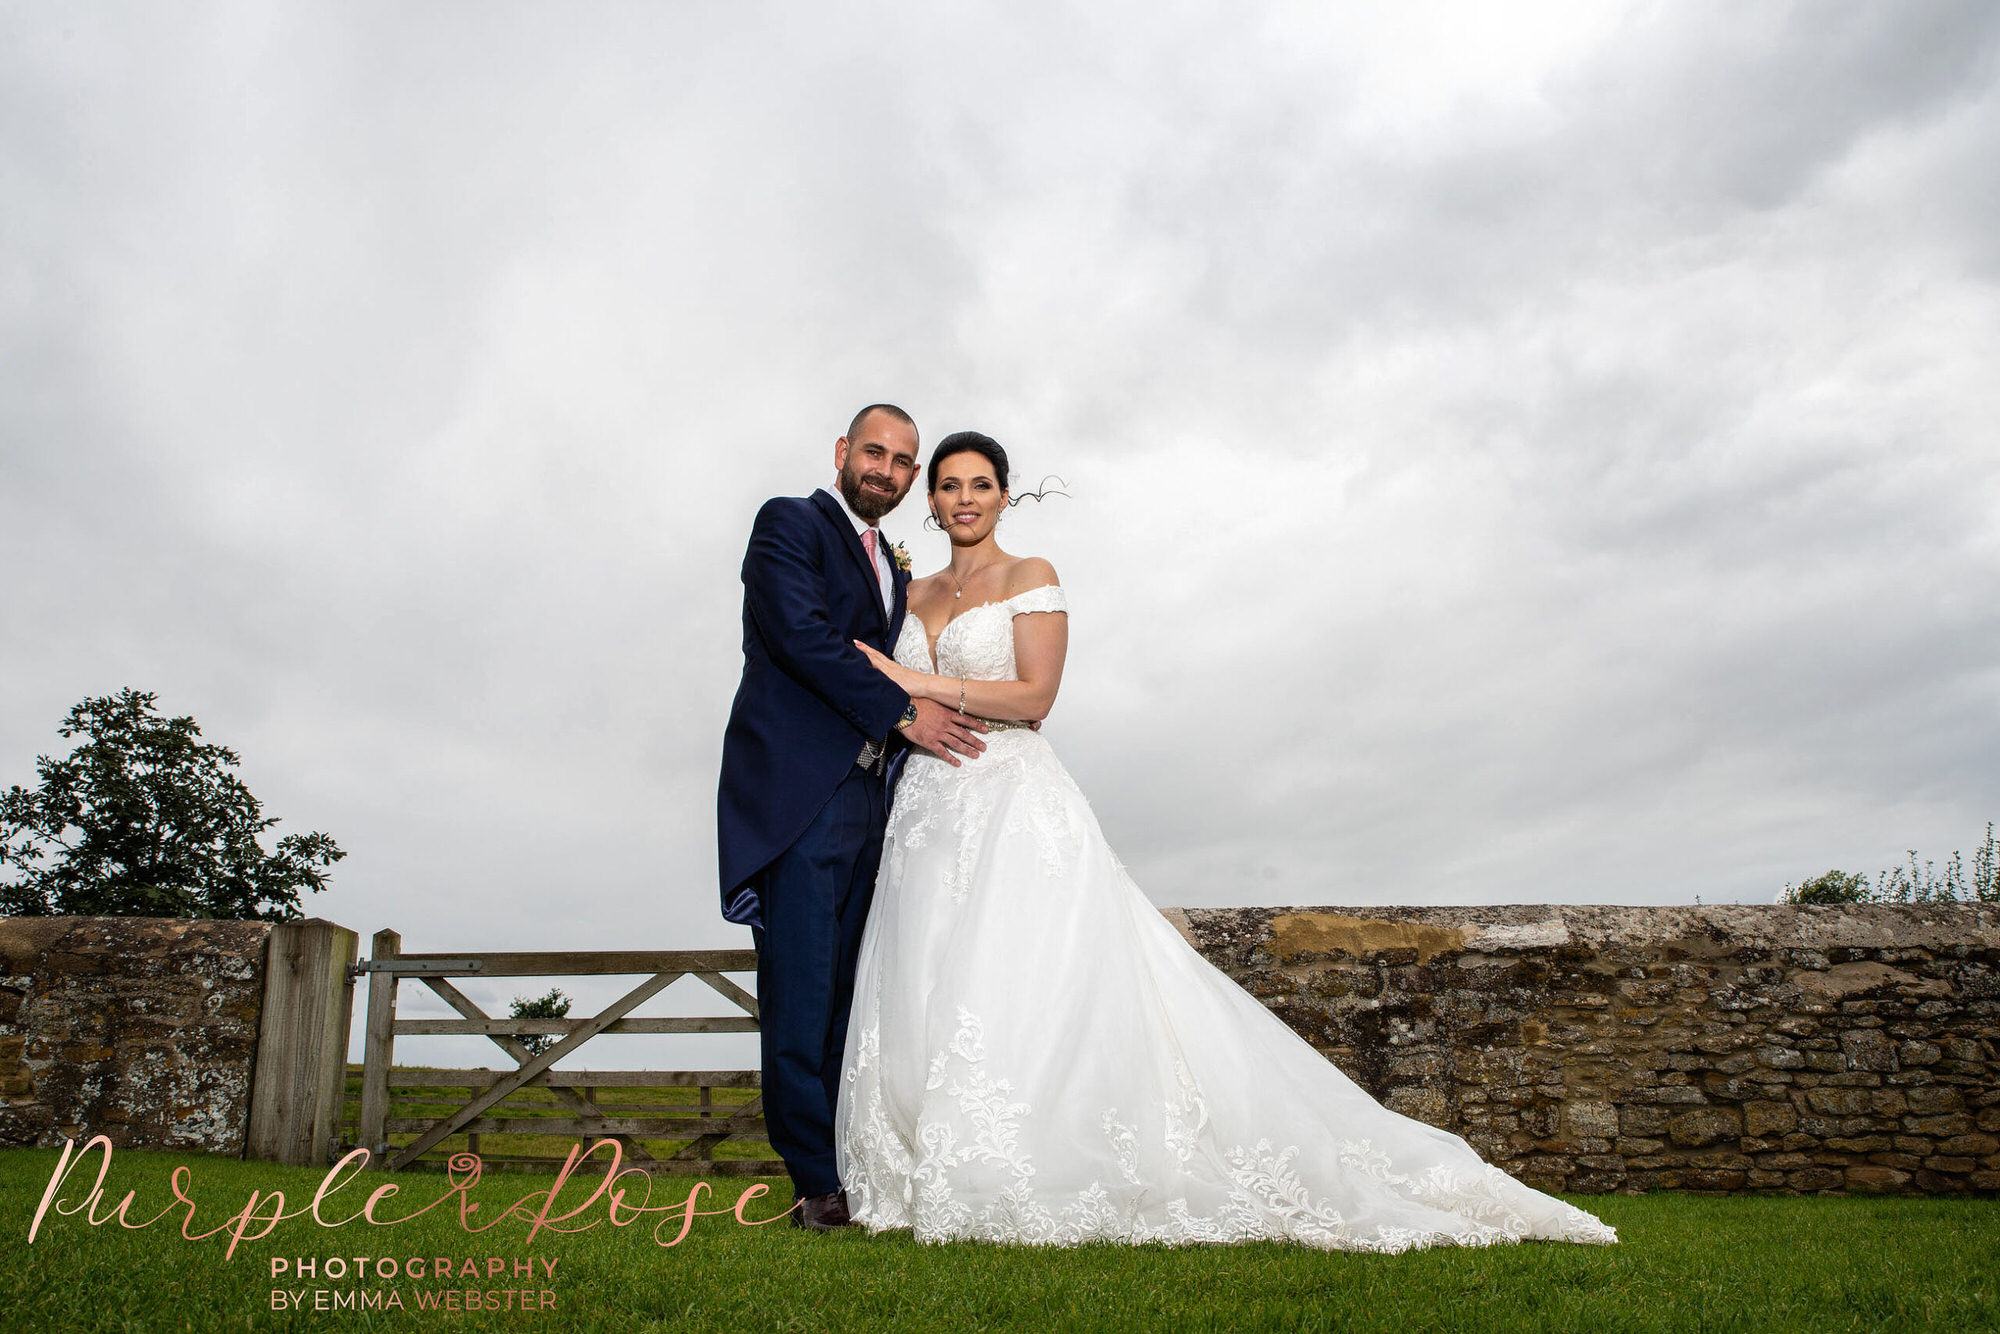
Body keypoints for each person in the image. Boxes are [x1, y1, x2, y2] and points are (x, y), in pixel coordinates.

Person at [833, 431, 1618, 1250]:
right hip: (927, 806)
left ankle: (1023, 1161)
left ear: (1003, 495)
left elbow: (1037, 696)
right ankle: (921, 1167)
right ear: (928, 496)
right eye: (950, 485)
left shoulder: (1033, 578)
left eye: (982, 484)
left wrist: (915, 680)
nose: (965, 498)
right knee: (926, 976)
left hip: (1010, 799)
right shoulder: (910, 592)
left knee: (1019, 975)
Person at [717, 405, 988, 1231]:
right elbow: (801, 636)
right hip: (803, 798)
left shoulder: (894, 569)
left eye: (904, 462)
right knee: (801, 997)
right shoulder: (789, 524)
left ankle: (854, 1161)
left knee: (852, 997)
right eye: (875, 452)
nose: (887, 469)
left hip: (876, 803)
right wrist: (907, 716)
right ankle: (814, 1185)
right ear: (842, 452)